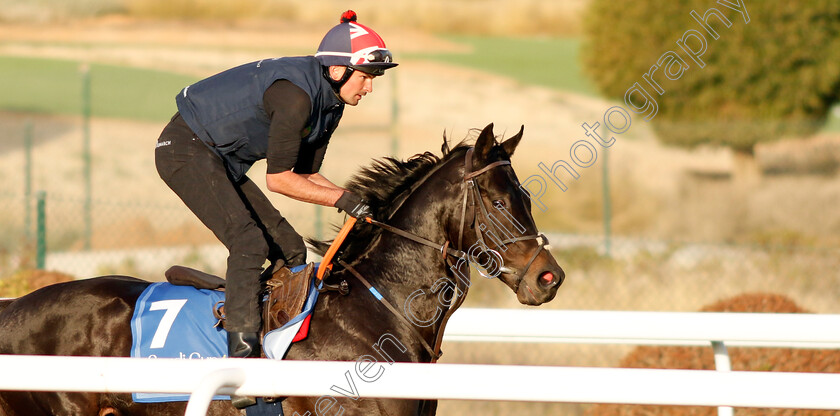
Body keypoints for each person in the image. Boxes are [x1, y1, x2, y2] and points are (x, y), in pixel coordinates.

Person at [154, 10, 396, 362]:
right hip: (184, 150)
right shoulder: (296, 98)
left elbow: (306, 175)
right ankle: (241, 353)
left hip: (221, 161)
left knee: (291, 250)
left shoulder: (330, 105)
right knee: (249, 241)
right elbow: (279, 180)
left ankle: (270, 331)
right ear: (337, 70)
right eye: (366, 76)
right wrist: (344, 200)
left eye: (374, 78)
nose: (370, 87)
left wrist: (356, 201)